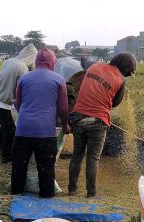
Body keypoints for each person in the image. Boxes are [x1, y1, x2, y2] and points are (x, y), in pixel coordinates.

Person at [68, 52, 137, 198]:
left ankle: (72, 190)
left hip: (78, 119)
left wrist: (84, 59)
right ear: (125, 70)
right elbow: (115, 103)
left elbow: (85, 60)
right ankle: (91, 194)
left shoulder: (94, 66)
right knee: (93, 159)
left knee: (77, 156)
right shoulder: (120, 80)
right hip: (98, 122)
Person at [10, 48, 70, 198]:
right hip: (46, 132)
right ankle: (46, 196)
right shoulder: (58, 80)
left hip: (23, 130)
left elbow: (18, 104)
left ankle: (15, 195)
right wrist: (65, 125)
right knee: (46, 168)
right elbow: (63, 108)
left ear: (36, 62)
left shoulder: (24, 78)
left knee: (19, 166)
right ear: (52, 62)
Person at [0, 44, 38, 163]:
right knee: (10, 131)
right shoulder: (23, 68)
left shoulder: (9, 61)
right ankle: (6, 157)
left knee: (5, 127)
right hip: (6, 104)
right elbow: (23, 88)